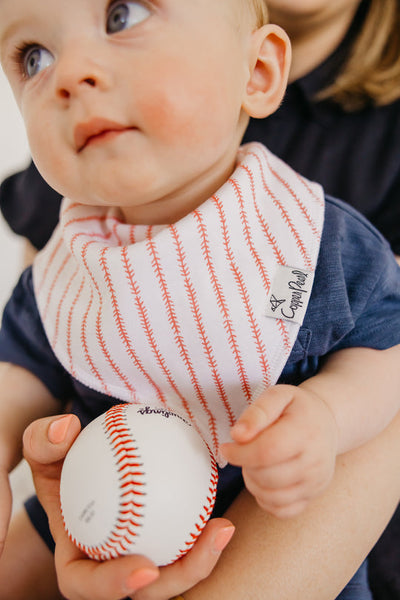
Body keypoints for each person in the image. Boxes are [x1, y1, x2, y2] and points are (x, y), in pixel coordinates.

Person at [0, 0, 400, 599]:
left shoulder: (309, 237)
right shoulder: (68, 262)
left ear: (258, 73)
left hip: (278, 519)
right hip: (102, 508)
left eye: (121, 17)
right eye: (34, 57)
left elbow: (387, 349)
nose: (69, 73)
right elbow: (26, 363)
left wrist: (328, 416)